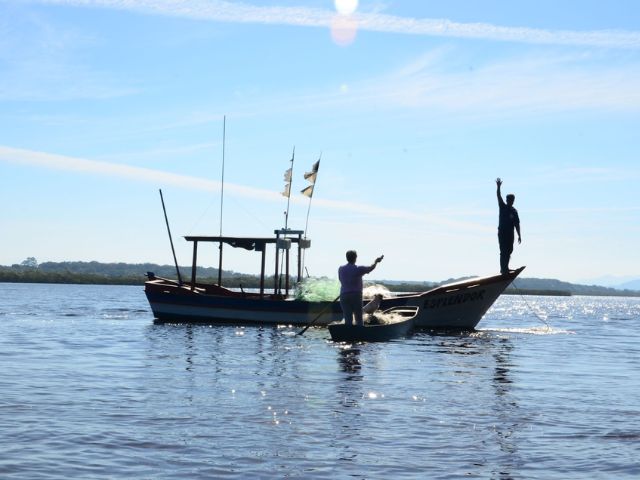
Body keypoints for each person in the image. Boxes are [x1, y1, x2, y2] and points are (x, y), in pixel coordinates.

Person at [338, 251, 384, 326]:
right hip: (356, 295)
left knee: (348, 318)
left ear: (347, 258)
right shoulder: (359, 269)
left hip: (344, 295)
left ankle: (347, 335)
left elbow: (341, 280)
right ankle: (359, 335)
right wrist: (376, 261)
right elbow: (371, 268)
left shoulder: (341, 268)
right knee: (359, 318)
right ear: (355, 258)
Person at [496, 178, 521, 275]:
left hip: (510, 234)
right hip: (502, 232)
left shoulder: (514, 211)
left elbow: (517, 224)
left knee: (509, 250)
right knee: (503, 250)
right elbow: (498, 196)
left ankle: (506, 267)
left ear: (513, 201)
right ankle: (503, 270)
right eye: (508, 200)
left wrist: (519, 235)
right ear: (506, 200)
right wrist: (498, 187)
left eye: (511, 200)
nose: (510, 201)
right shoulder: (502, 206)